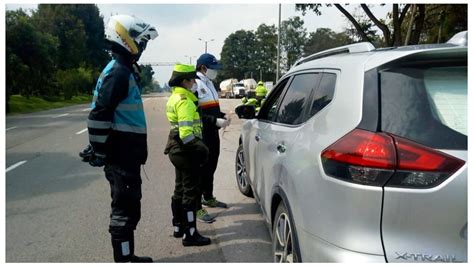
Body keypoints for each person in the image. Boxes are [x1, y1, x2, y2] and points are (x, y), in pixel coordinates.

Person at [86, 14, 158, 262]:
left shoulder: (122, 69)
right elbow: (99, 114)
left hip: (125, 153)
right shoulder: (118, 72)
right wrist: (100, 150)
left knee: (129, 207)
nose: (144, 47)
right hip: (121, 156)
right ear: (126, 39)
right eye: (142, 42)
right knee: (124, 210)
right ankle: (124, 260)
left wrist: (99, 147)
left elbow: (108, 114)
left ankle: (129, 256)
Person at [164, 64, 212, 246]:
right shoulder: (184, 101)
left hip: (176, 149)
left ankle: (178, 227)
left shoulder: (174, 97)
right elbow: (186, 135)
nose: (194, 83)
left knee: (180, 189)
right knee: (190, 193)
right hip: (186, 151)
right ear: (185, 81)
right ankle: (190, 234)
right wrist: (202, 149)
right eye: (192, 80)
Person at [194, 53, 230, 223]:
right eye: (213, 69)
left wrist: (222, 116)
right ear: (203, 68)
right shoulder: (195, 84)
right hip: (201, 133)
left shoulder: (210, 83)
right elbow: (195, 114)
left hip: (212, 132)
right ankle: (196, 208)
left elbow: (211, 109)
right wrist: (215, 120)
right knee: (200, 170)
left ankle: (208, 197)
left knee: (211, 166)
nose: (215, 72)